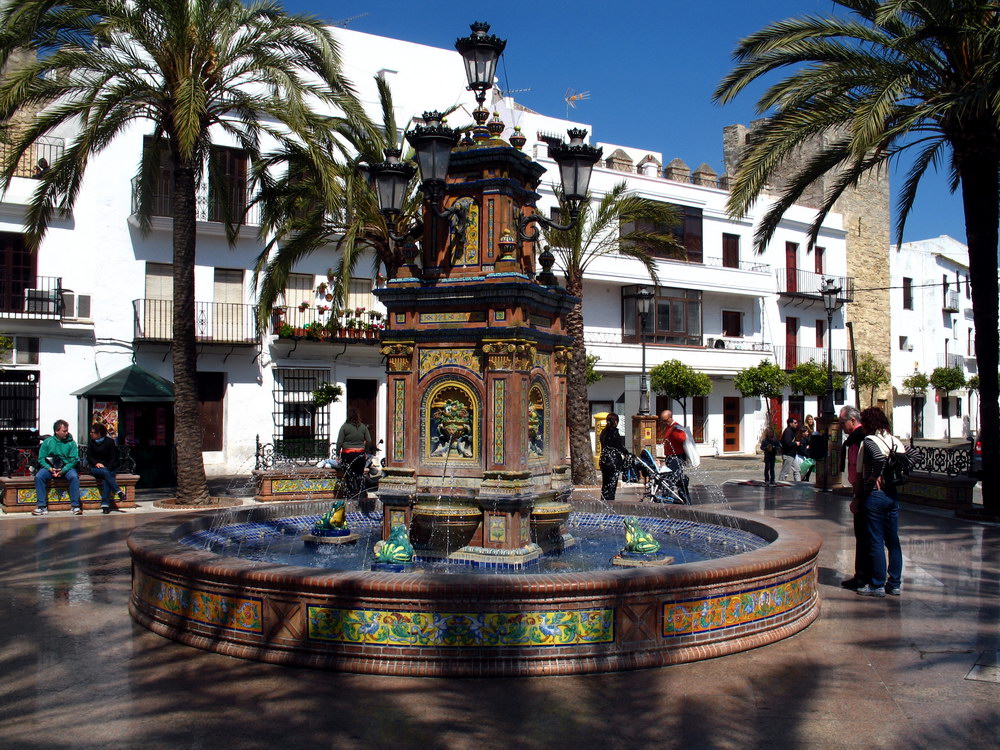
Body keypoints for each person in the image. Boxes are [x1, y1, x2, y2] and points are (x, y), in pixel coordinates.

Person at [855, 406, 904, 598]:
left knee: (875, 540)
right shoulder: (894, 440)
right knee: (893, 541)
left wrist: (874, 476)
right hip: (892, 494)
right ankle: (895, 583)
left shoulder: (869, 440)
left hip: (874, 495)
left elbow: (876, 457)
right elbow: (912, 457)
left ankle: (877, 585)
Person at [838, 406, 870, 590]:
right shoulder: (855, 438)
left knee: (863, 535)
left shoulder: (859, 438)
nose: (841, 426)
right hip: (859, 490)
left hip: (862, 491)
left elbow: (859, 469)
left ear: (852, 420)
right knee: (863, 535)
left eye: (843, 422)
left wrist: (857, 495)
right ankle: (863, 574)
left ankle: (863, 576)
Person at [32, 419, 82, 516]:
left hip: (66, 467)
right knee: (39, 477)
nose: (66, 433)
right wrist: (49, 468)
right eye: (64, 431)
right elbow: (41, 459)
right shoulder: (47, 442)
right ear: (56, 431)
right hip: (50, 467)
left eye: (67, 430)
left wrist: (63, 470)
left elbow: (74, 459)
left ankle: (75, 506)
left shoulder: (71, 443)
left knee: (74, 477)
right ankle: (42, 506)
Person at [86, 423, 126, 514]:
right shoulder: (92, 443)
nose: (91, 434)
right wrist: (97, 463)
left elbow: (114, 457)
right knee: (105, 473)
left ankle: (105, 506)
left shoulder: (109, 442)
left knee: (106, 480)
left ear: (99, 433)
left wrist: (108, 467)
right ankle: (118, 491)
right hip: (95, 468)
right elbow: (89, 457)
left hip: (108, 468)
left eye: (93, 432)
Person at [334, 408, 372, 498]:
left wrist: (337, 454)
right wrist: (366, 451)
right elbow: (369, 440)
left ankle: (351, 493)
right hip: (360, 454)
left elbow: (339, 442)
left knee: (349, 474)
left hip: (347, 454)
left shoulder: (344, 427)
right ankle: (362, 492)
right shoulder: (363, 427)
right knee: (359, 474)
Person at [659, 409, 692, 503]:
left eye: (665, 420)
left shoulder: (676, 427)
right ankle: (684, 499)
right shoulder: (669, 427)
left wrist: (674, 432)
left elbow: (682, 438)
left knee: (672, 478)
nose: (663, 422)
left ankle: (669, 497)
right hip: (670, 457)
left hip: (677, 457)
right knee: (675, 478)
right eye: (662, 420)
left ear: (670, 418)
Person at [599, 413, 626, 503]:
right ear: (615, 421)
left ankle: (603, 501)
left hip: (604, 460)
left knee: (605, 484)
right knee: (612, 484)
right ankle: (610, 503)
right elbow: (619, 447)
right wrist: (627, 454)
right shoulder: (614, 432)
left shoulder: (603, 432)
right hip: (613, 461)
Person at [778, 415, 801, 482]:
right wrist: (795, 443)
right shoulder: (788, 432)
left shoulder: (792, 431)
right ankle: (781, 483)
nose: (797, 424)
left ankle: (798, 483)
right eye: (795, 423)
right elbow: (787, 443)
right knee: (785, 471)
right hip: (788, 455)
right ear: (790, 423)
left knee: (797, 470)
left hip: (792, 455)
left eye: (797, 423)